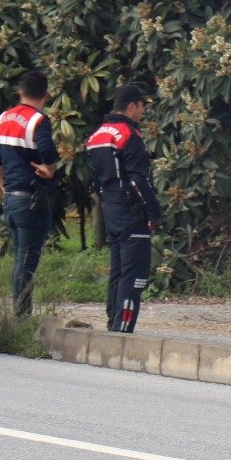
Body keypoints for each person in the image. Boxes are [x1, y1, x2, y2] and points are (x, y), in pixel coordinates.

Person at [86, 85, 161, 334]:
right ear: (131, 106)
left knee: (118, 269)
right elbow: (138, 180)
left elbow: (95, 180)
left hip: (110, 209)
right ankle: (123, 329)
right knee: (135, 273)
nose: (144, 110)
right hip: (131, 211)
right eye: (142, 105)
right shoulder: (129, 134)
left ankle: (113, 323)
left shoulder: (97, 135)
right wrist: (153, 212)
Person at [0, 69, 60, 317]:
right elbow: (48, 150)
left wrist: (3, 185)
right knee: (27, 262)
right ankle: (22, 317)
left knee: (20, 259)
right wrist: (49, 169)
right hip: (32, 200)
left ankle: (20, 315)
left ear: (20, 93)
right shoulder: (38, 120)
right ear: (46, 96)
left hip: (11, 201)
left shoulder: (3, 118)